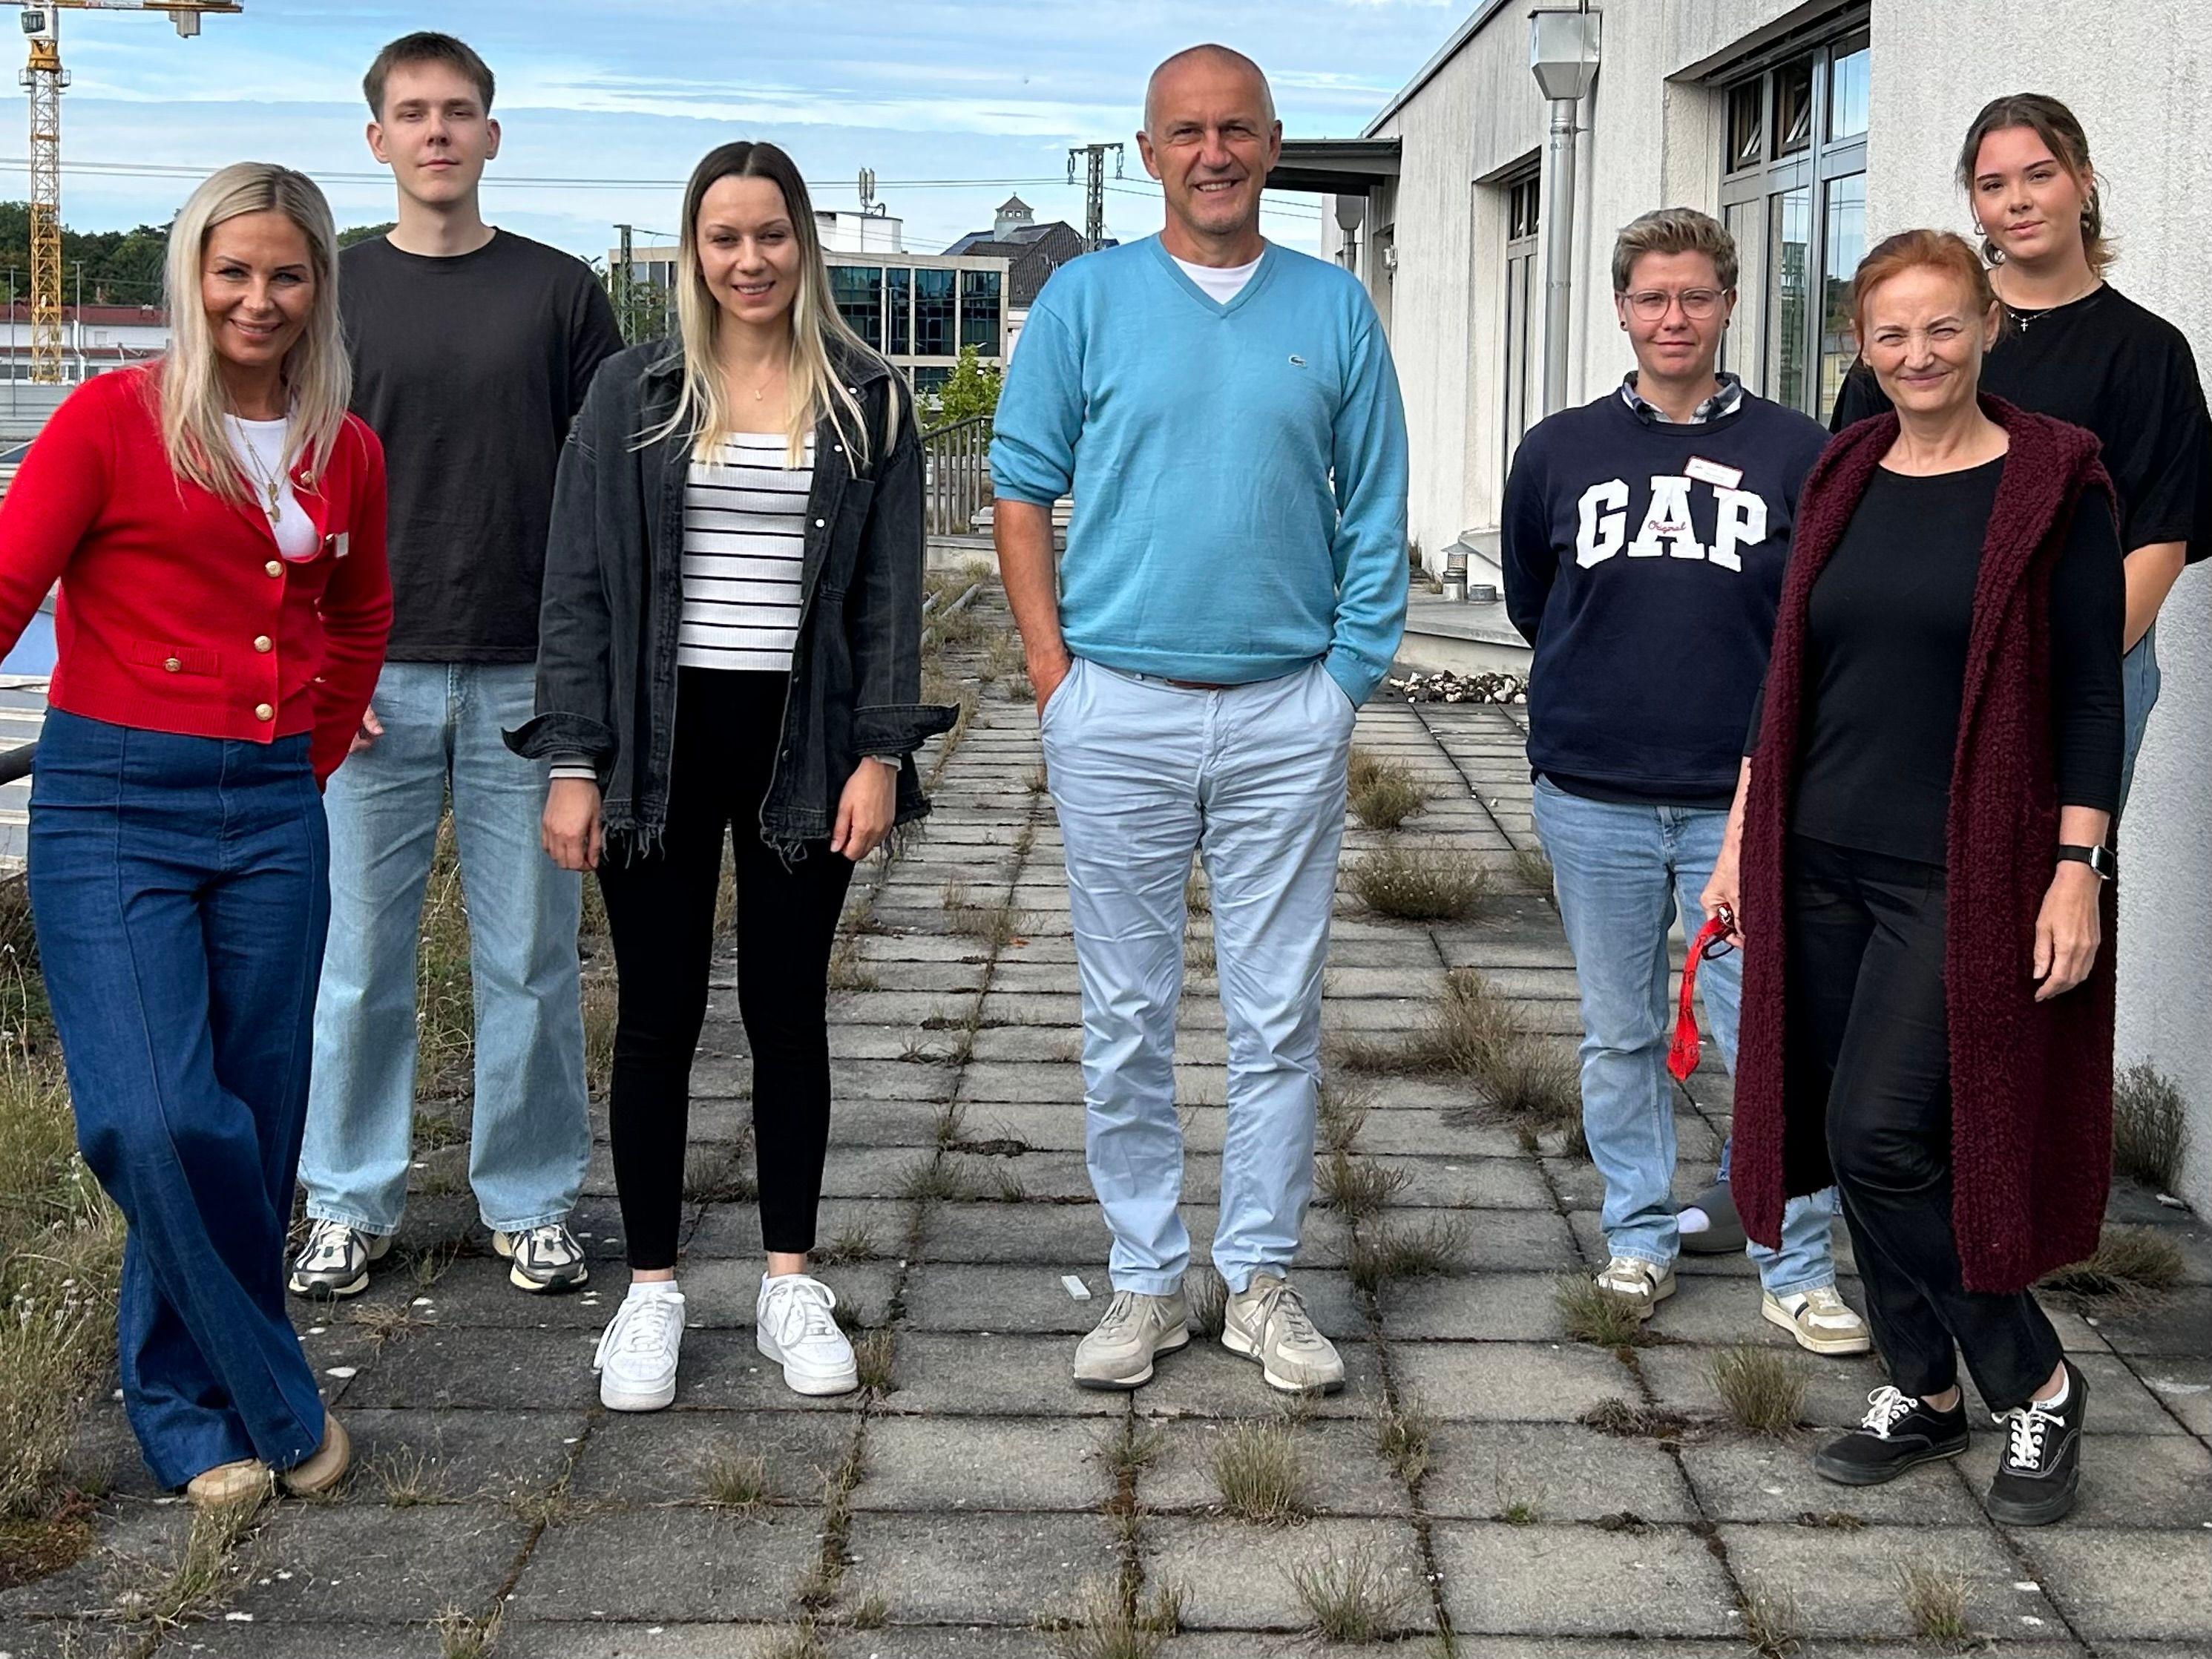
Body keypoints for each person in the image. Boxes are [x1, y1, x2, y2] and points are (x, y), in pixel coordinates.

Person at [991, 45, 1408, 1396]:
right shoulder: (1087, 300)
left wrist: (1345, 678)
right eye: (1187, 132)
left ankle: (1262, 1279)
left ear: (1273, 144)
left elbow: (1375, 503)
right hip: (1117, 708)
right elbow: (1019, 485)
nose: (1213, 153)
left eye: (1236, 129)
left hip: (1287, 708)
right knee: (1125, 1014)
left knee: (1277, 1015)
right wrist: (1054, 675)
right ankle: (1145, 1277)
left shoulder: (1332, 306)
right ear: (1149, 151)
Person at [511, 140, 947, 1409]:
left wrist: (881, 753)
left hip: (804, 742)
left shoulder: (867, 400)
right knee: (656, 1014)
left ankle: (786, 1283)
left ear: (804, 242)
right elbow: (577, 590)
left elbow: (889, 598)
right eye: (724, 238)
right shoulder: (632, 393)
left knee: (787, 1009)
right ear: (692, 249)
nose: (749, 260)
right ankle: (651, 1293)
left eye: (770, 235)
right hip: (658, 740)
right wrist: (574, 762)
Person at [1714, 230, 2123, 1527]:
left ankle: (2034, 1378)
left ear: (1987, 325)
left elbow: (2091, 694)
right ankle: (1924, 1387)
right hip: (1816, 856)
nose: (1918, 353)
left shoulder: (2054, 483)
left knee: (1879, 1135)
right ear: (1861, 345)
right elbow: (1789, 674)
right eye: (1890, 333)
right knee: (1856, 1139)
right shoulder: (1844, 470)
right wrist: (1740, 839)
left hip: (1964, 869)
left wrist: (2076, 869)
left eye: (1942, 326)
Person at [0, 164, 390, 1504]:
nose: (258, 298)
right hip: (111, 806)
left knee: (257, 1124)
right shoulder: (109, 420)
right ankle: (279, 1403)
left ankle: (183, 1407)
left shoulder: (347, 446)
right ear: (193, 276)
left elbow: (360, 615)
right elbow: (6, 584)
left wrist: (304, 760)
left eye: (286, 274)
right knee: (154, 1117)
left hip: (274, 809)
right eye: (233, 272)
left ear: (318, 285)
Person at [291, 33, 623, 1302]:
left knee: (531, 962)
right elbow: (285, 476)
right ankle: (346, 1200)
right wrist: (323, 653)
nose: (438, 131)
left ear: (492, 133)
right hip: (367, 681)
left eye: (459, 111)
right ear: (376, 138)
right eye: (414, 112)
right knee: (356, 966)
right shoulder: (331, 292)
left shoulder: (560, 293)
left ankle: (531, 1202)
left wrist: (588, 676)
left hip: (524, 677)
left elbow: (605, 490)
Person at [1501, 208, 1867, 1355]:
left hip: (1744, 803)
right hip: (1592, 790)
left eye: (1696, 296)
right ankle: (1638, 1237)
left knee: (1766, 1034)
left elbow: (1819, 620)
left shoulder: (1798, 452)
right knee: (1618, 1034)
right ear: (1621, 308)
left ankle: (1794, 1266)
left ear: (1729, 305)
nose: (1674, 317)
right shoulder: (1556, 450)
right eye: (1653, 297)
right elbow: (1533, 599)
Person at [1830, 93, 2209, 809]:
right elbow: (1850, 502)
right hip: (1916, 653)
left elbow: (2162, 535)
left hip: (2080, 668)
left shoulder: (2146, 351)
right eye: (1992, 184)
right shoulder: (1930, 339)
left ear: (2084, 181)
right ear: (1974, 205)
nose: (2017, 201)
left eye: (2040, 174)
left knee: (2054, 867)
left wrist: (2058, 667)